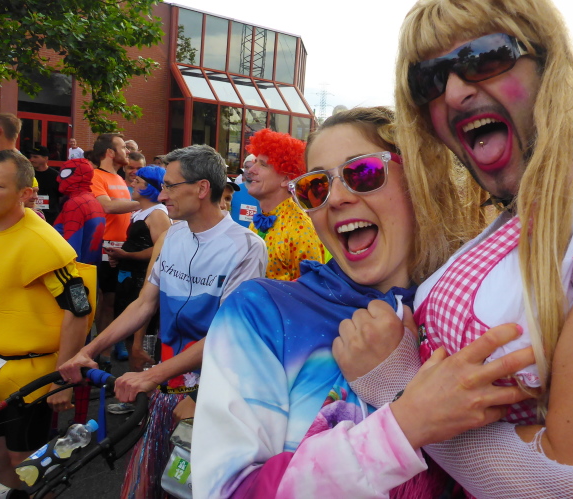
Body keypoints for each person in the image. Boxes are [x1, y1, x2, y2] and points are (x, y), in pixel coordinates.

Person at [335, 1, 573, 497]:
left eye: (483, 57)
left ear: (548, 64)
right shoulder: (511, 216)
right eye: (428, 80)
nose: (453, 92)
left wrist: (398, 388)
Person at [192, 107, 534, 498]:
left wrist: (397, 381)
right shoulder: (262, 312)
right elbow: (226, 491)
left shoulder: (478, 313)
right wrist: (403, 425)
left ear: (422, 181)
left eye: (364, 173)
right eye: (315, 187)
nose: (336, 198)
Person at [59, 144, 267, 499]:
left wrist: (150, 376)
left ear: (201, 188)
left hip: (210, 393)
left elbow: (227, 335)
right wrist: (88, 351)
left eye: (170, 186)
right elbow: (144, 304)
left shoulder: (246, 247)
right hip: (166, 383)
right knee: (147, 485)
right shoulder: (173, 235)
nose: (161, 194)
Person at [0, 150, 91, 488]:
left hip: (29, 379)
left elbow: (79, 309)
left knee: (27, 465)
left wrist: (62, 378)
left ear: (24, 193)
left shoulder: (44, 243)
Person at [105, 166, 171, 411]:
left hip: (143, 283)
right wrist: (121, 257)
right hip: (129, 280)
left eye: (139, 181)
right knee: (131, 336)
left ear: (151, 188)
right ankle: (138, 398)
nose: (132, 183)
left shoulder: (158, 214)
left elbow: (161, 249)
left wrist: (128, 255)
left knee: (141, 343)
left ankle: (144, 402)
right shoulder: (141, 211)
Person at [246, 129, 327, 280]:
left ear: (286, 179)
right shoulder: (257, 222)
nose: (251, 170)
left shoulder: (301, 230)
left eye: (263, 165)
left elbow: (311, 288)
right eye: (255, 162)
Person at [90, 133, 140, 366]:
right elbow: (106, 206)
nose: (127, 151)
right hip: (104, 247)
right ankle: (102, 355)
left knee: (114, 301)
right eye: (122, 147)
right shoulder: (96, 176)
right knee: (105, 301)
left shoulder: (119, 178)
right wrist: (145, 202)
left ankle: (105, 352)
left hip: (122, 249)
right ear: (110, 152)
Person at [54, 158, 107, 267]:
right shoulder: (94, 202)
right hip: (91, 270)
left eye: (65, 173)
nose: (58, 179)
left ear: (80, 175)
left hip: (75, 272)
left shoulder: (75, 203)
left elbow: (72, 248)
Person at [28, 144, 62, 225]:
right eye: (31, 157)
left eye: (35, 157)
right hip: (31, 216)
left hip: (51, 219)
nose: (32, 159)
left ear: (45, 158)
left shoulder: (55, 176)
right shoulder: (28, 175)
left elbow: (61, 197)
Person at [229, 153, 260, 227]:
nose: (249, 171)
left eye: (252, 167)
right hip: (235, 232)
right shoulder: (235, 190)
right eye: (246, 167)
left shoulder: (263, 192)